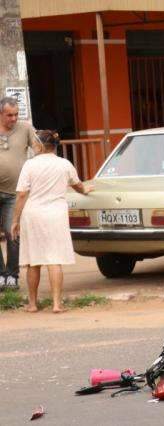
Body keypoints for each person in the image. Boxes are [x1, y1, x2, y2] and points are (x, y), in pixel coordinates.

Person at [10, 130, 93, 312]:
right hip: (56, 215)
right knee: (55, 259)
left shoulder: (30, 165)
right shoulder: (64, 164)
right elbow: (78, 185)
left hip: (33, 215)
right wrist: (86, 190)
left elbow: (22, 194)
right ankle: (56, 304)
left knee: (33, 260)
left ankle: (32, 304)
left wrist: (15, 220)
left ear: (39, 146)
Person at [0, 97, 40, 291]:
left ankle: (12, 275)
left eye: (16, 114)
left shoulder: (25, 128)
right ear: (1, 114)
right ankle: (1, 275)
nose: (14, 119)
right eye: (9, 115)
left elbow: (40, 149)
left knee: (12, 233)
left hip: (14, 193)